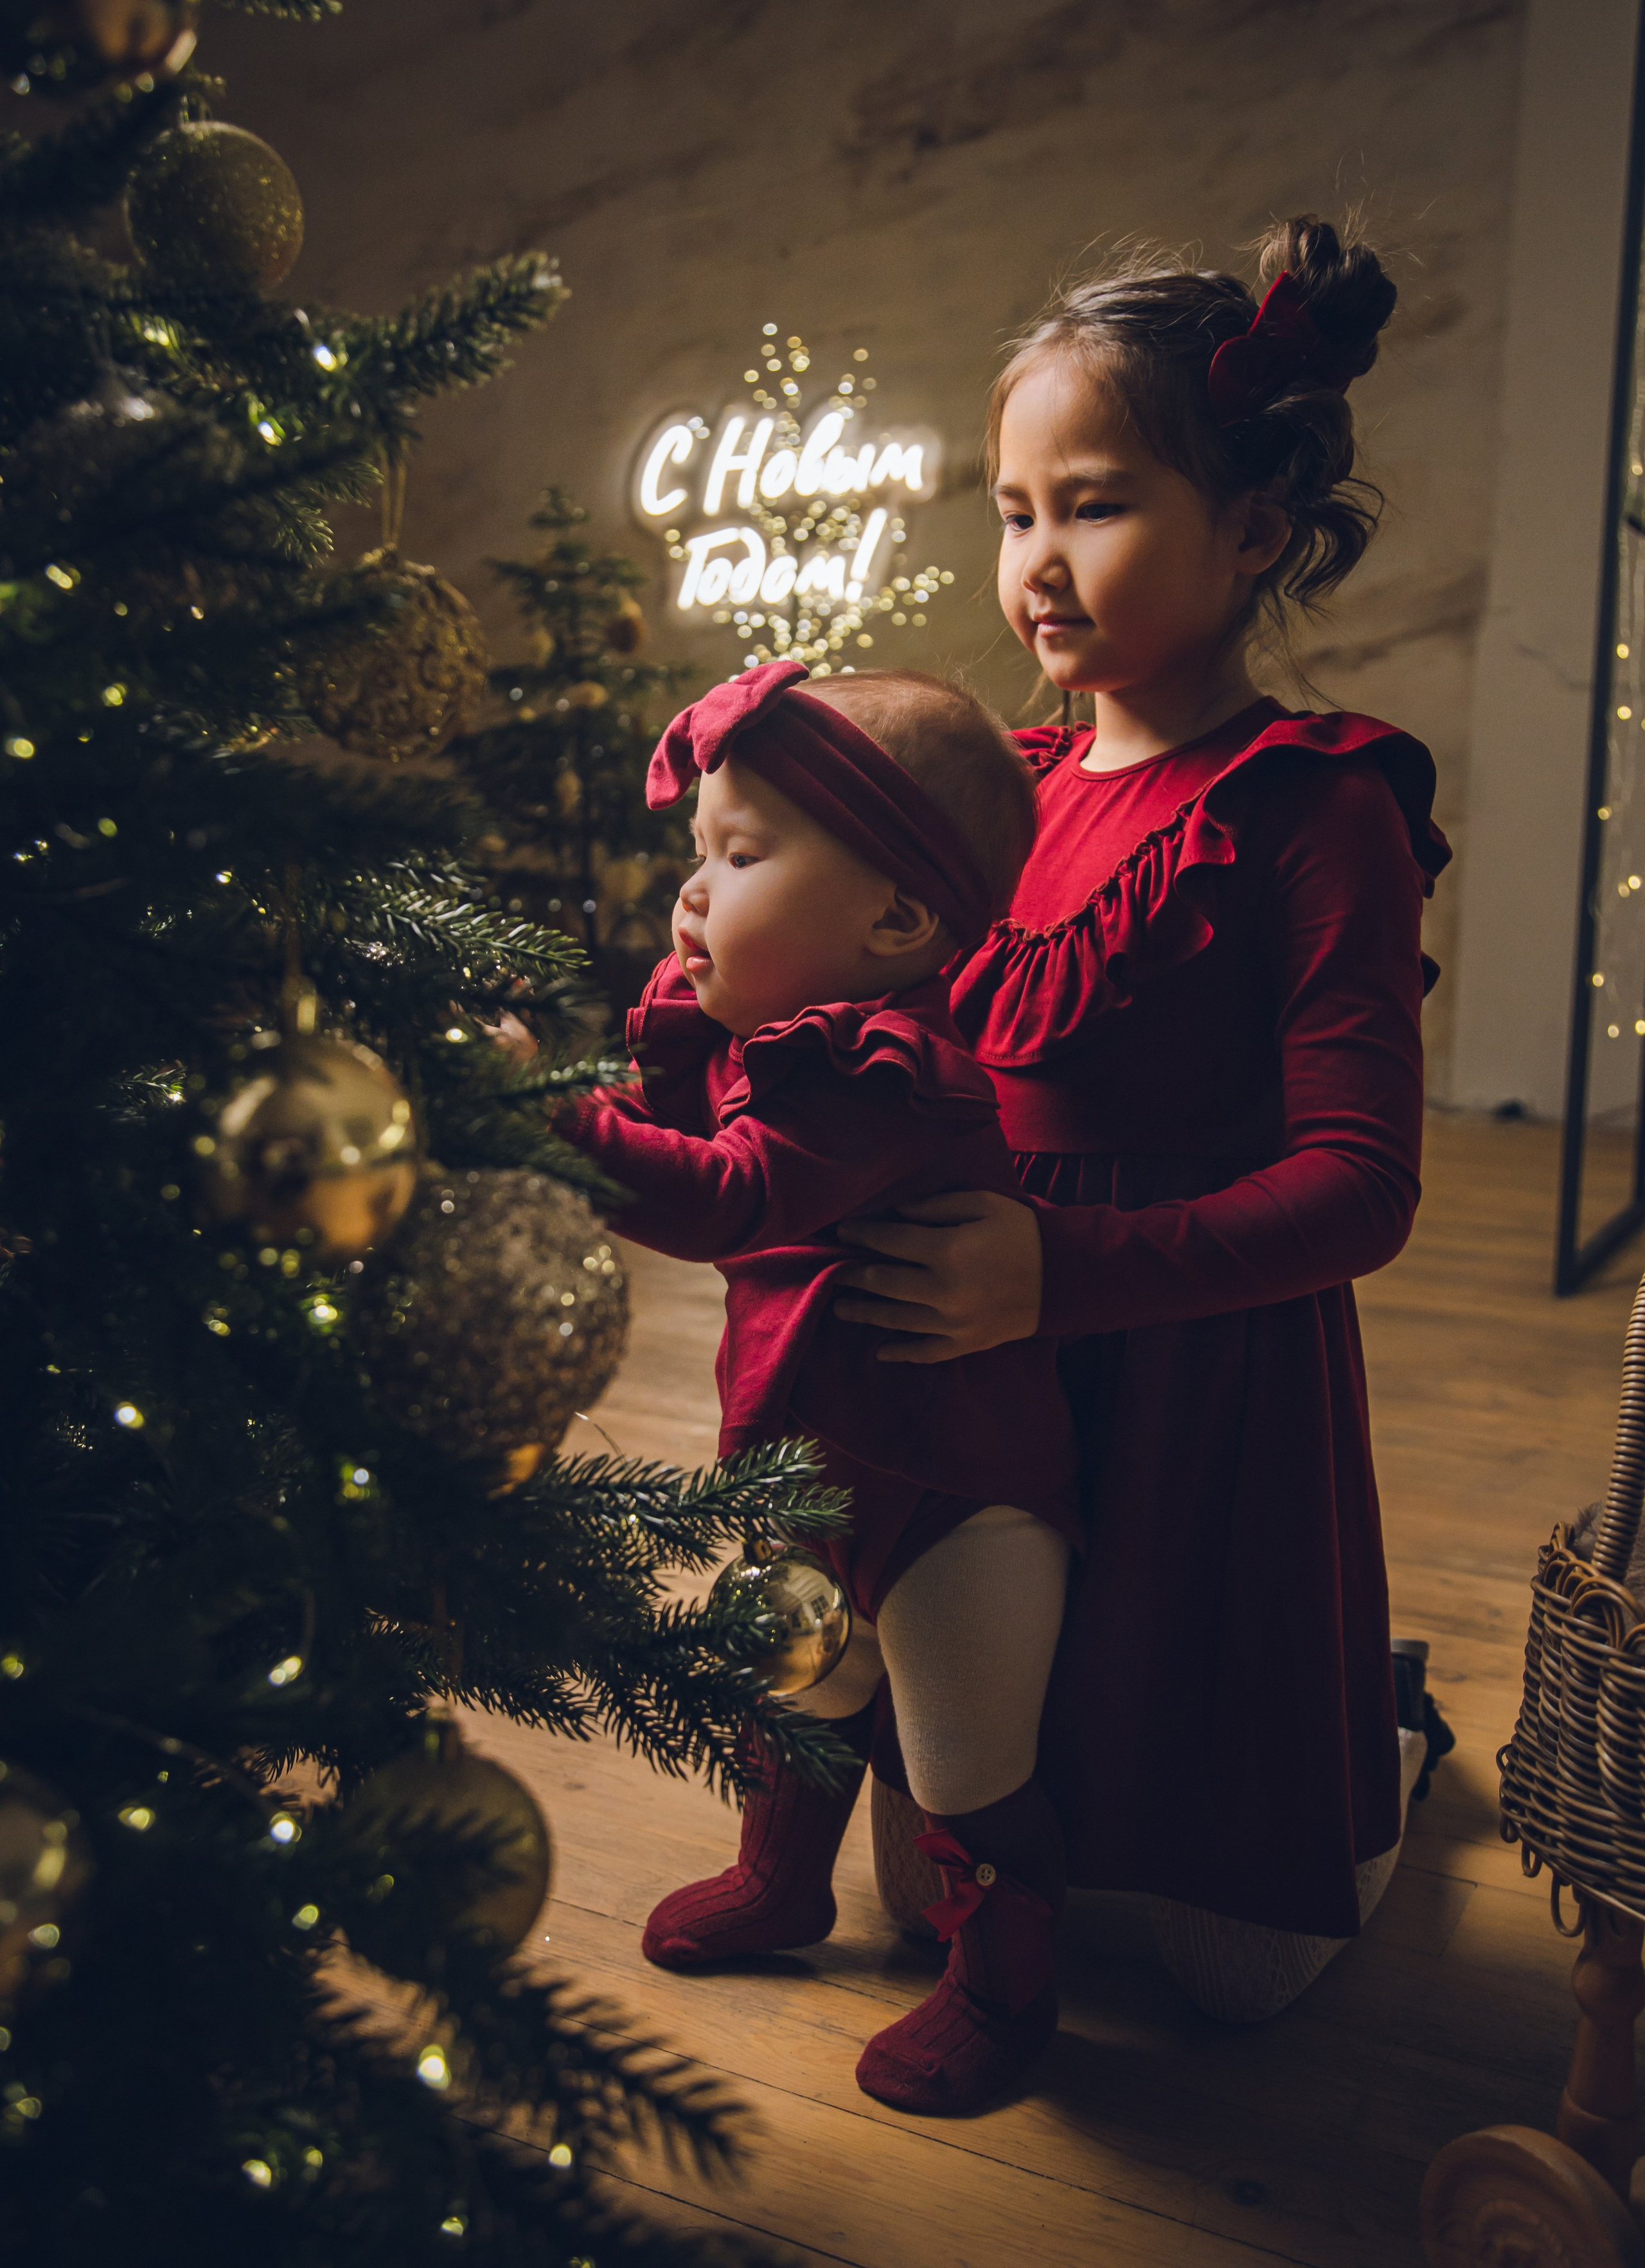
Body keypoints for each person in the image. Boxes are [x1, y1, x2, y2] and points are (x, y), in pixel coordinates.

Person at [834, 217, 1454, 2024]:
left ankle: (1386, 1740)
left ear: (1252, 532)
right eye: (1015, 509)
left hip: (1191, 1388)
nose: (1037, 559)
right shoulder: (994, 785)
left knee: (1239, 1961)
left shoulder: (1313, 807)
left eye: (1093, 504)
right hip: (975, 1369)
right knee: (918, 1870)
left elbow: (1360, 1189)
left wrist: (1061, 1268)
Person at [555, 660, 1082, 2109]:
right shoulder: (783, 1040)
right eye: (693, 854)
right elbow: (681, 1106)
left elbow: (726, 1200)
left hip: (951, 1486)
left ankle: (1004, 1986)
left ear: (897, 922)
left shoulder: (885, 1070)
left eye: (736, 858)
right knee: (795, 1669)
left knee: (966, 1758)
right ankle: (778, 1884)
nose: (690, 892)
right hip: (815, 1459)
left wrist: (557, 1125)